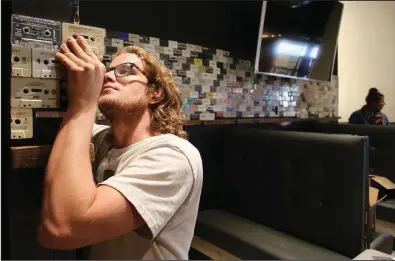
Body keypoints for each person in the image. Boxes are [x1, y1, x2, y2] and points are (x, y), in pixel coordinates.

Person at [38, 36, 203, 260]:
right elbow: (71, 132)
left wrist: (83, 103)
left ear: (156, 93)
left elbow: (63, 230)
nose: (107, 76)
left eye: (127, 70)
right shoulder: (104, 139)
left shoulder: (173, 155)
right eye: (108, 70)